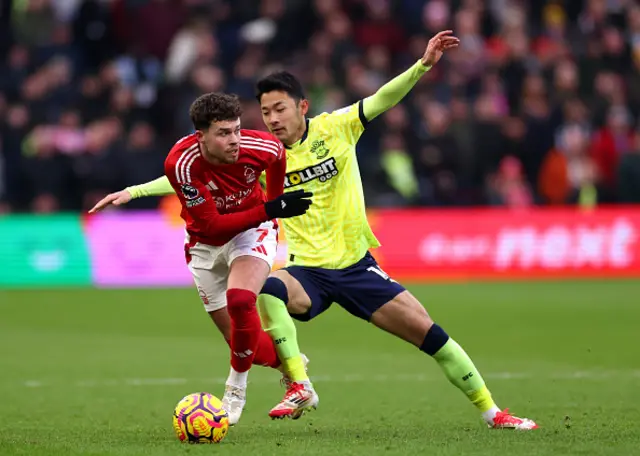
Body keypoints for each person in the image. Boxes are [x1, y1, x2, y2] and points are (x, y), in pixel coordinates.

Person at [94, 31, 537, 429]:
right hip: (308, 271)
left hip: (357, 267)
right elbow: (185, 173)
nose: (271, 119)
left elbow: (382, 98)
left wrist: (422, 65)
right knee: (266, 290)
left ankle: (493, 411)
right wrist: (134, 192)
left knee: (433, 337)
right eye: (265, 111)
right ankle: (299, 384)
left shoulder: (337, 128)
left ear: (302, 106)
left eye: (279, 108)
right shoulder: (258, 153)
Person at [90, 92, 319, 425]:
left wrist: (273, 205)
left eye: (237, 130)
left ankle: (235, 391)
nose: (234, 140)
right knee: (246, 345)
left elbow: (277, 164)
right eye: (224, 133)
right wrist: (270, 208)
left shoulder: (264, 147)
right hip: (205, 244)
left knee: (241, 300)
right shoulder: (181, 162)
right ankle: (294, 368)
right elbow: (211, 226)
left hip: (251, 233)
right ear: (201, 137)